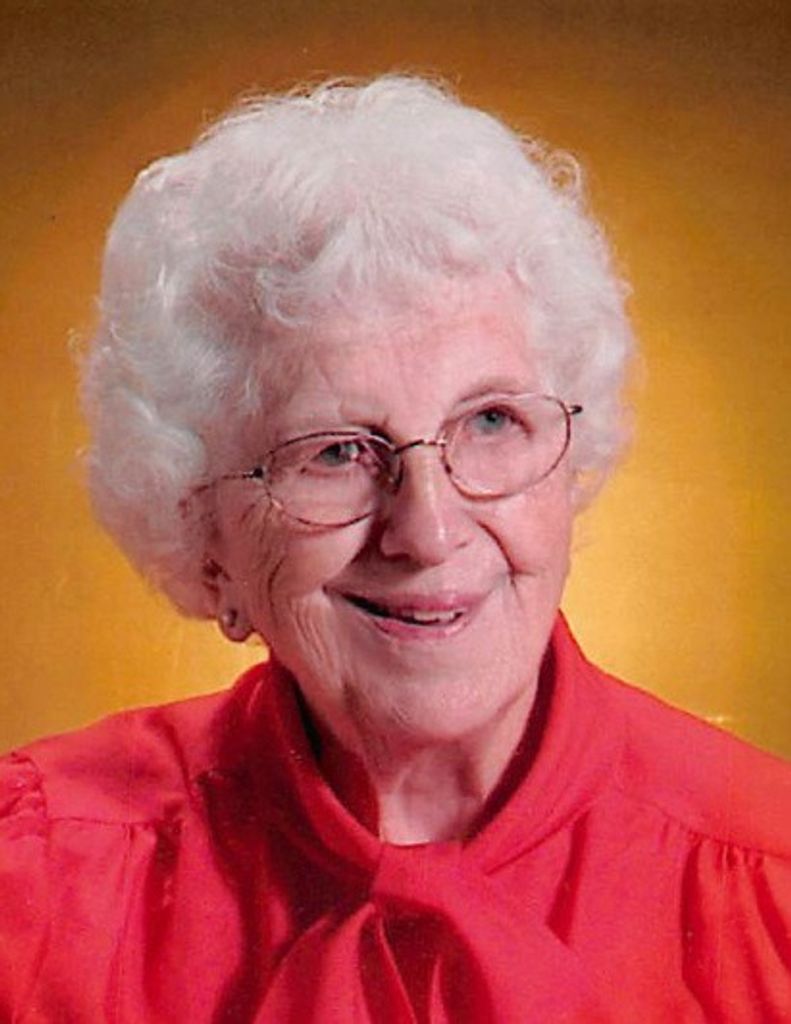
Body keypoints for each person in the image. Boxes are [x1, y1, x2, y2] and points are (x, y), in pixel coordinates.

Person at [1, 75, 789, 1023]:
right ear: (206, 536)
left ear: (568, 467)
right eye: (335, 452)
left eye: (490, 422)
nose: (428, 530)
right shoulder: (42, 887)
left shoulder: (767, 887)